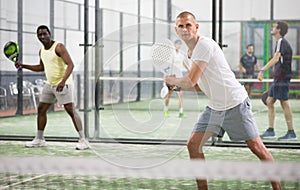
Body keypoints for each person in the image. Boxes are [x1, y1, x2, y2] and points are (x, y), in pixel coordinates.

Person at [164, 11, 281, 190]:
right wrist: (175, 86)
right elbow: (197, 86)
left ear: (196, 27)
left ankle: (277, 188)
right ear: (176, 30)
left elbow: (191, 81)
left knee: (257, 148)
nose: (185, 29)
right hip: (215, 108)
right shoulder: (190, 53)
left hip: (235, 103)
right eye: (180, 26)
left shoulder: (204, 45)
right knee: (193, 145)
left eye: (188, 25)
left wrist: (173, 81)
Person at [15, 25, 89, 150]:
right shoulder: (42, 51)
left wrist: (63, 81)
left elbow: (70, 64)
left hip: (63, 84)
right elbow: (41, 67)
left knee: (71, 110)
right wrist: (23, 65)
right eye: (40, 35)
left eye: (45, 34)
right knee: (41, 109)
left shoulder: (59, 47)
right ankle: (39, 139)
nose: (42, 36)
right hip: (49, 84)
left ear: (50, 34)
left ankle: (83, 140)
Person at [258, 21, 297, 141]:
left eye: (274, 27)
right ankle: (270, 130)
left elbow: (275, 59)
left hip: (283, 77)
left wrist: (263, 69)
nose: (272, 28)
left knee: (284, 102)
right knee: (269, 101)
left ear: (279, 30)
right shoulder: (279, 42)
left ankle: (291, 132)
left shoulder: (281, 42)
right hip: (279, 77)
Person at [164, 39, 190, 117]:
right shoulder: (171, 55)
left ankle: (181, 112)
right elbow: (168, 65)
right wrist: (167, 76)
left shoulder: (181, 55)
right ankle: (166, 110)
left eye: (179, 44)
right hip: (172, 78)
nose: (178, 45)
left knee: (180, 94)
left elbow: (183, 63)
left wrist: (190, 70)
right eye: (177, 44)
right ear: (174, 45)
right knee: (168, 95)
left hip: (179, 78)